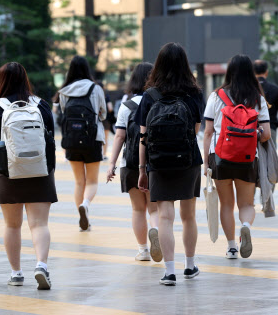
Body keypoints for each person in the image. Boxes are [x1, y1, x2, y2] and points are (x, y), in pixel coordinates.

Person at [135, 42, 204, 286]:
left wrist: (142, 170)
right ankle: (190, 265)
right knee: (188, 216)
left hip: (158, 162)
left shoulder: (149, 96)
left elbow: (143, 138)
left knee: (165, 216)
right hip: (188, 160)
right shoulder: (194, 94)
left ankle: (170, 270)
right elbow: (195, 131)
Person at [0, 62, 57, 290]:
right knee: (39, 224)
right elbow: (51, 141)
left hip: (9, 172)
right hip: (40, 170)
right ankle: (41, 265)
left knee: (12, 225)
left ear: (0, 81)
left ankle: (16, 274)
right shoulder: (41, 105)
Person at [203, 55, 271, 260]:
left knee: (226, 204)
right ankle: (245, 226)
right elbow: (266, 133)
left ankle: (232, 247)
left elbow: (207, 132)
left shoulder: (216, 96)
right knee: (247, 205)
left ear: (229, 72)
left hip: (220, 156)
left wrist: (206, 162)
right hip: (248, 158)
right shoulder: (257, 98)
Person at [106, 62, 162, 262]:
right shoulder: (159, 102)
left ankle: (143, 250)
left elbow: (119, 136)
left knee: (138, 209)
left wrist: (111, 163)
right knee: (154, 208)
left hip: (130, 164)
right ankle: (155, 231)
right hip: (156, 163)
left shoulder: (127, 106)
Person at [58, 56, 106, 231]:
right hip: (92, 139)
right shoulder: (96, 88)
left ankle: (83, 219)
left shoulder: (64, 91)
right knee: (92, 181)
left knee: (79, 182)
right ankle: (85, 204)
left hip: (71, 140)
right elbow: (103, 115)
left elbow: (62, 116)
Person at [254, 60, 278, 146]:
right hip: (270, 128)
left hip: (251, 130)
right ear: (266, 72)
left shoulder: (248, 89)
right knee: (270, 157)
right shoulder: (275, 89)